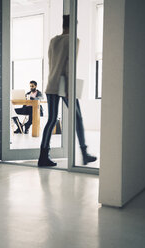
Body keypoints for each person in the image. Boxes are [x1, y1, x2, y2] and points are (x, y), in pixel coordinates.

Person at [38, 15, 97, 167]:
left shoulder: (53, 40)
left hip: (51, 84)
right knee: (78, 118)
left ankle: (43, 156)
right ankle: (84, 154)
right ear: (73, 25)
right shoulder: (73, 40)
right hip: (64, 86)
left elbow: (52, 62)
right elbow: (70, 66)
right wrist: (70, 88)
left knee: (51, 120)